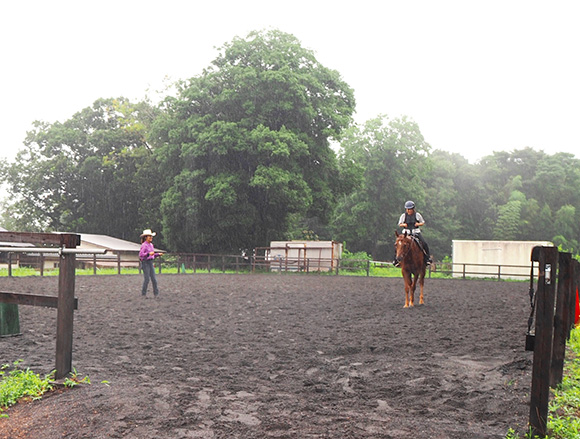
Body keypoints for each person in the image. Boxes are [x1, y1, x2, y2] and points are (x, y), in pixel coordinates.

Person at [396, 200, 433, 266]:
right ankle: (396, 259)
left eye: (410, 209)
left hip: (415, 232)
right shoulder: (403, 216)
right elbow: (399, 224)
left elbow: (422, 222)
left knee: (424, 243)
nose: (409, 211)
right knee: (399, 244)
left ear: (413, 209)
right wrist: (404, 225)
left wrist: (418, 224)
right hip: (406, 233)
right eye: (408, 209)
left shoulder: (417, 215)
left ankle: (427, 258)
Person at [139, 229, 163, 298]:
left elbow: (152, 255)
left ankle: (156, 293)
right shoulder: (144, 245)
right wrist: (148, 254)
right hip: (145, 263)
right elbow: (141, 255)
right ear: (146, 237)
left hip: (150, 262)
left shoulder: (151, 245)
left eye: (151, 236)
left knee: (154, 279)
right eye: (150, 236)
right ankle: (143, 294)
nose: (151, 238)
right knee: (147, 279)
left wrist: (158, 254)